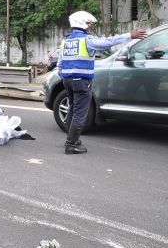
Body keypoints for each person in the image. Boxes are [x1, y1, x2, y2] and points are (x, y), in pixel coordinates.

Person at [58, 11, 147, 154]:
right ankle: (71, 144)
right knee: (80, 113)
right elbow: (107, 42)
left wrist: (64, 77)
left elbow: (60, 63)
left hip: (67, 80)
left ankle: (71, 138)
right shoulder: (87, 40)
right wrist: (129, 35)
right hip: (81, 81)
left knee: (73, 109)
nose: (90, 26)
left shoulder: (66, 40)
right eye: (89, 24)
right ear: (83, 24)